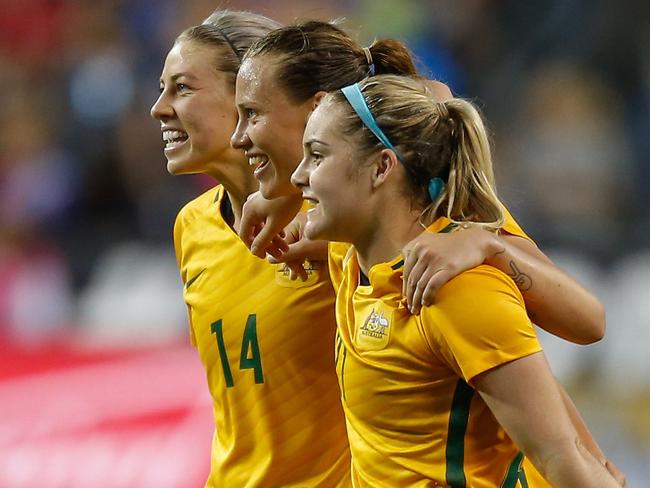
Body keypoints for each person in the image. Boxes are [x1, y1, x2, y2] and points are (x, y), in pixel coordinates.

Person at [290, 74, 621, 486]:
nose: (297, 176)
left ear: (381, 167)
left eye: (317, 156)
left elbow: (560, 454)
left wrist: (493, 247)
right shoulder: (352, 255)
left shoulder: (457, 289)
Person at [231, 21, 605, 344]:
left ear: (319, 107)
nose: (239, 137)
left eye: (252, 114)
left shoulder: (431, 202)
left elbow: (588, 322)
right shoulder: (335, 211)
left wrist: (486, 244)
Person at [150, 11, 353, 487]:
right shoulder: (192, 227)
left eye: (182, 87)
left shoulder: (342, 214)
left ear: (247, 97)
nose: (159, 107)